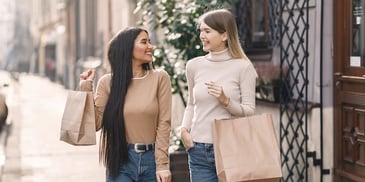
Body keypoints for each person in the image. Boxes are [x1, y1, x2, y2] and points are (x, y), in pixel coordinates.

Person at [79, 27, 172, 182]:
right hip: (121, 160)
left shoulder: (160, 78)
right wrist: (86, 88)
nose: (150, 46)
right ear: (128, 48)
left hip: (152, 161)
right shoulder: (108, 83)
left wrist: (162, 164)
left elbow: (164, 123)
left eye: (149, 41)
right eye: (144, 42)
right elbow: (95, 124)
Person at [179, 9, 258, 182]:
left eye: (207, 31)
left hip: (232, 148)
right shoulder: (194, 66)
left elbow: (250, 111)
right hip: (198, 148)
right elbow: (191, 104)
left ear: (224, 35)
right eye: (200, 31)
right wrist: (184, 130)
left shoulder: (243, 67)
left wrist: (226, 101)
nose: (202, 35)